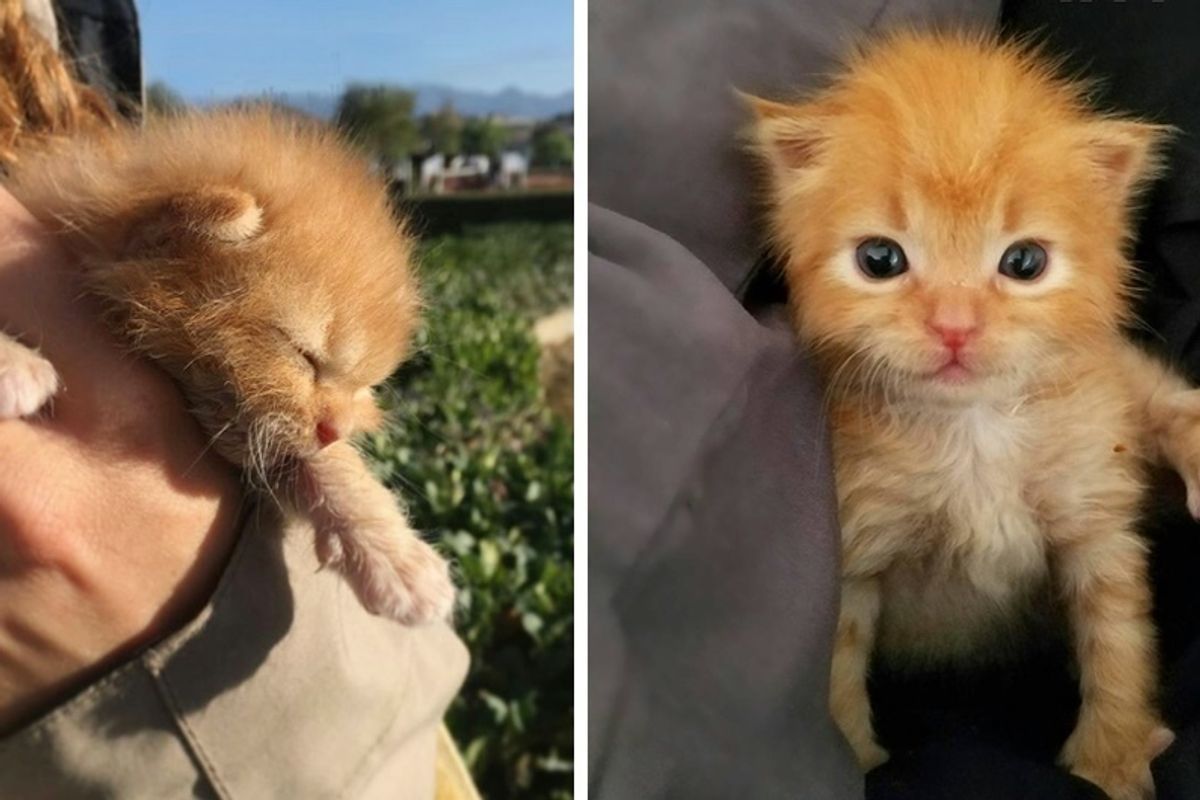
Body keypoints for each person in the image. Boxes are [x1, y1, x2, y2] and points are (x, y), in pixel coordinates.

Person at [589, 1, 1200, 798]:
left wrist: (1116, 737)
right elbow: (841, 604)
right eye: (883, 259)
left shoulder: (1077, 393)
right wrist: (846, 751)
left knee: (1111, 490)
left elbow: (1106, 573)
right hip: (929, 701)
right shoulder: (844, 418)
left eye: (1020, 263)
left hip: (1035, 655)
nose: (952, 322)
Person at [0, 2, 467, 796]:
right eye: (308, 357)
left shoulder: (75, 39)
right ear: (168, 239)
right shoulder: (85, 227)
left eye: (365, 389)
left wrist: (349, 505)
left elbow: (292, 442)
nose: (340, 422)